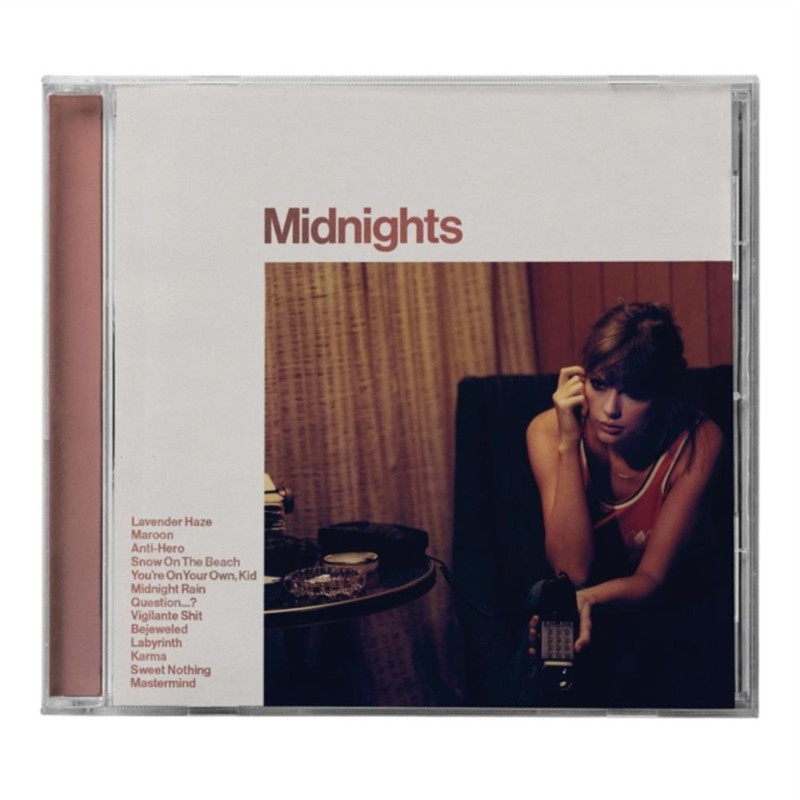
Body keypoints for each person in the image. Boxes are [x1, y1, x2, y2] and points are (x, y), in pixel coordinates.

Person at [523, 302, 726, 707]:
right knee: (545, 605)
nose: (610, 409)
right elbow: (572, 570)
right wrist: (569, 443)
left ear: (663, 394)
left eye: (635, 392)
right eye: (600, 384)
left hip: (675, 604)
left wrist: (586, 600)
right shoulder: (548, 431)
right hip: (592, 602)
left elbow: (652, 580)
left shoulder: (698, 440)